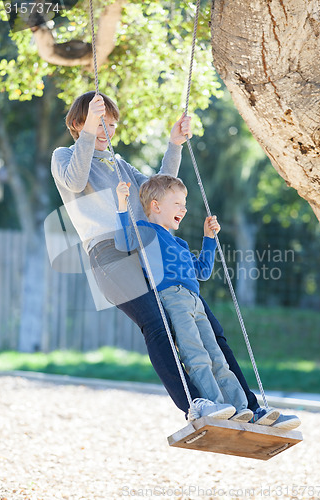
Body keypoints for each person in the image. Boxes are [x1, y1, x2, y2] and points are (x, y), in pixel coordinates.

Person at [51, 91, 300, 430]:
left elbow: (157, 191)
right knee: (157, 325)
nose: (107, 132)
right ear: (78, 125)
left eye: (110, 125)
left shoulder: (120, 164)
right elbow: (75, 180)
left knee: (211, 329)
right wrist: (89, 135)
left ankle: (250, 407)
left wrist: (174, 144)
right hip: (110, 254)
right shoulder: (65, 156)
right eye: (99, 124)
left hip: (145, 250)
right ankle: (196, 404)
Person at [115, 174, 258, 423]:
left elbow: (202, 270)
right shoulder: (144, 231)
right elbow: (122, 242)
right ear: (156, 205)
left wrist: (209, 239)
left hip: (195, 300)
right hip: (172, 298)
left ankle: (241, 406)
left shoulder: (179, 243)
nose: (184, 208)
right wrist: (121, 204)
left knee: (216, 355)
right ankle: (216, 405)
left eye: (185, 204)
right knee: (195, 354)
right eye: (178, 203)